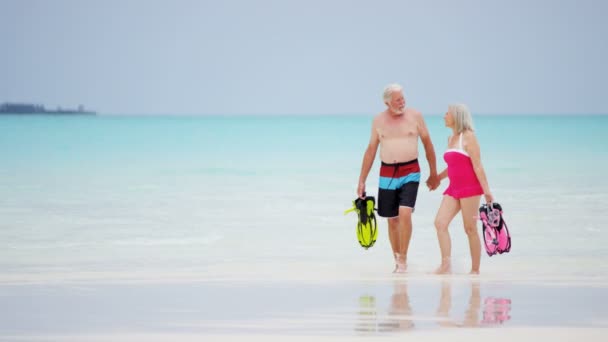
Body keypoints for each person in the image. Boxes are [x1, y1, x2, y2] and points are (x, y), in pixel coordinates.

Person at [357, 83, 439, 273]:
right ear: (387, 103)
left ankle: (403, 258)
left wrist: (433, 173)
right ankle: (397, 260)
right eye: (397, 100)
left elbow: (428, 144)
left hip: (411, 169)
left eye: (403, 98)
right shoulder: (378, 121)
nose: (402, 102)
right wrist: (361, 180)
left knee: (405, 213)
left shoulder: (415, 116)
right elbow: (370, 150)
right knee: (392, 219)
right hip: (387, 172)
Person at [433, 104, 493, 275]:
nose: (444, 116)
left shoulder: (469, 137)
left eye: (447, 113)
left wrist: (487, 191)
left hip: (470, 188)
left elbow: (478, 166)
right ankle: (446, 265)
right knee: (440, 223)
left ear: (456, 116)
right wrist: (438, 178)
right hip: (454, 188)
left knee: (470, 228)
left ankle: (475, 270)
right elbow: (453, 166)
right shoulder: (450, 138)